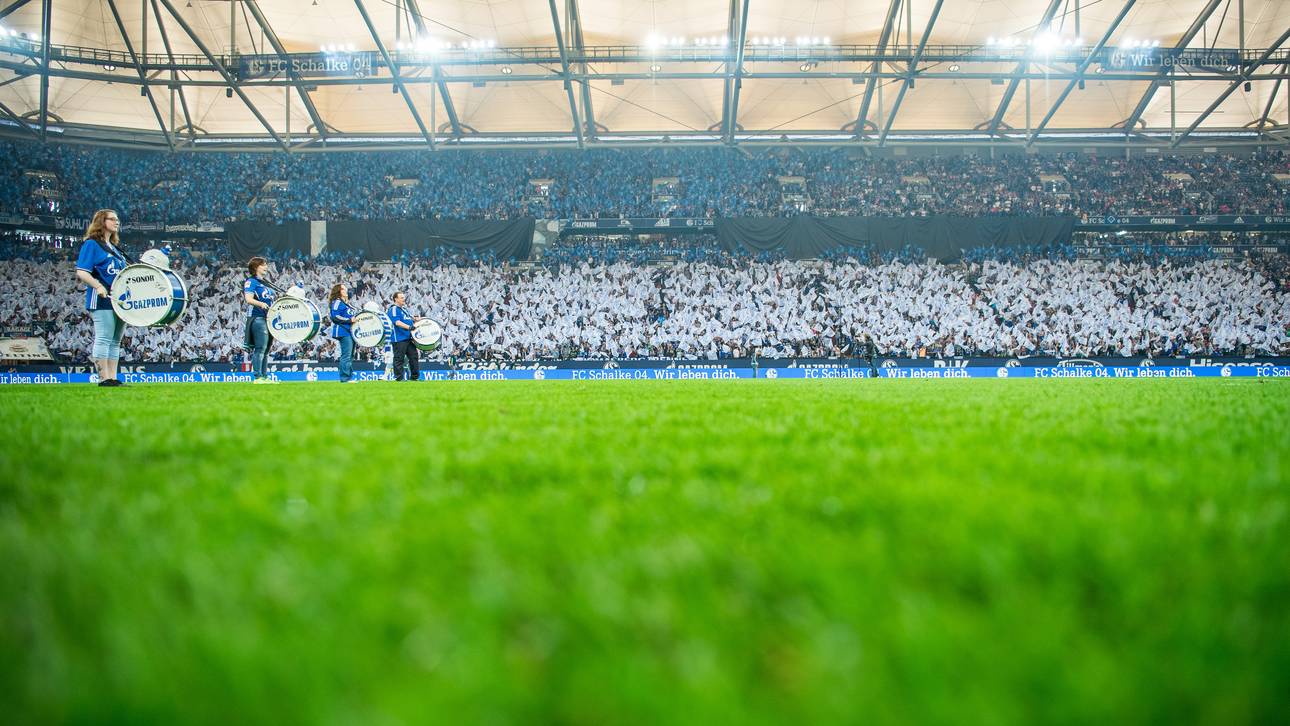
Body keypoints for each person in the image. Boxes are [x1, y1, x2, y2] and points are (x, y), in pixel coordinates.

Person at [74, 209, 129, 387]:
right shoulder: (91, 244)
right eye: (112, 219)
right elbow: (82, 271)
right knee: (104, 338)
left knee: (115, 341)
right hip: (101, 299)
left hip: (118, 300)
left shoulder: (114, 248)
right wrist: (98, 286)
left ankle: (112, 377)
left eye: (117, 219)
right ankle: (103, 378)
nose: (117, 222)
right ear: (101, 222)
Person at [242, 256, 277, 384]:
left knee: (266, 349)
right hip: (258, 317)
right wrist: (260, 304)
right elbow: (248, 299)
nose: (266, 266)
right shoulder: (251, 282)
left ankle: (264, 376)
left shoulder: (265, 283)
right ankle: (257, 377)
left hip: (268, 318)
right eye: (263, 264)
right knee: (260, 348)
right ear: (256, 267)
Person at [386, 291, 422, 382]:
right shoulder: (393, 309)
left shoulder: (404, 309)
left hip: (408, 338)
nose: (404, 299)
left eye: (403, 297)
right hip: (399, 338)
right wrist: (409, 327)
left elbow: (410, 319)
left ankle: (414, 377)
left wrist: (416, 320)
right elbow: (397, 322)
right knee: (399, 358)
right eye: (401, 297)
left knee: (414, 356)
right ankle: (399, 378)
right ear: (396, 299)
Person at [329, 282, 357, 383]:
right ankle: (345, 378)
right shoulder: (337, 302)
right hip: (343, 331)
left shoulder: (346, 303)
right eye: (344, 289)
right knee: (346, 355)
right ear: (339, 291)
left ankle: (348, 377)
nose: (346, 291)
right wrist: (349, 320)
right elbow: (335, 316)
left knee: (350, 355)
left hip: (351, 332)